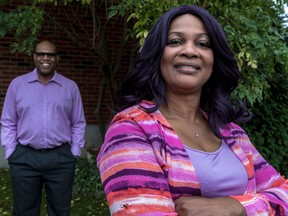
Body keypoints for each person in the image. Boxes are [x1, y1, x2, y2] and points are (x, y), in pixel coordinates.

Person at [96, 5, 288, 216]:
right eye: (175, 41)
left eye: (203, 44)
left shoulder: (231, 133)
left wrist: (236, 207)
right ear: (158, 54)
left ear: (214, 60)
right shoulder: (130, 129)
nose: (189, 51)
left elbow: (283, 192)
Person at [1, 40, 86, 216]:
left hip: (60, 158)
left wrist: (74, 152)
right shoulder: (17, 85)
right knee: (24, 211)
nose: (45, 58)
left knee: (60, 210)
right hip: (25, 157)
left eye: (50, 54)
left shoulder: (70, 87)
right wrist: (11, 150)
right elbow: (8, 120)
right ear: (34, 57)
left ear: (57, 59)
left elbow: (78, 122)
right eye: (41, 54)